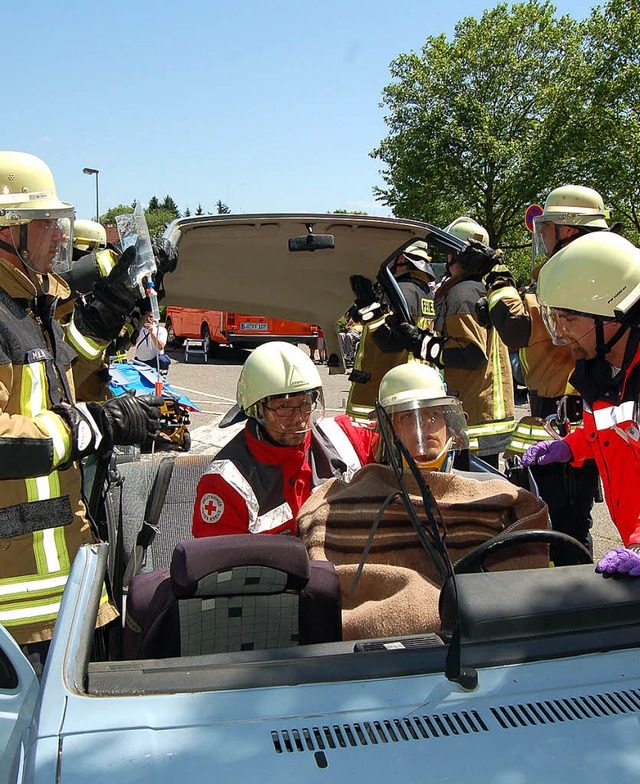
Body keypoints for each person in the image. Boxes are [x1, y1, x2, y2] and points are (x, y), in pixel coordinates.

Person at [0, 151, 163, 654]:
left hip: (60, 589)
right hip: (17, 615)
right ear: (10, 229)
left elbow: (68, 365)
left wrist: (115, 298)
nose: (58, 236)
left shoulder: (29, 306)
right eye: (45, 222)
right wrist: (94, 425)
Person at [297, 363, 548, 640]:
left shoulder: (494, 494)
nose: (426, 427)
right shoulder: (343, 502)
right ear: (388, 428)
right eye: (410, 417)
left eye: (434, 415)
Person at [486, 186, 608, 563]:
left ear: (569, 231)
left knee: (567, 531)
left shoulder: (577, 286)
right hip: (564, 426)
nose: (543, 240)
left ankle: (577, 607)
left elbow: (517, 327)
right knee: (561, 527)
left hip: (570, 427)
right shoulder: (576, 280)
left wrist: (500, 284)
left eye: (548, 231)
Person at [522, 232, 640, 576]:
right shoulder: (601, 371)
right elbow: (610, 432)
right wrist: (570, 448)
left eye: (569, 320)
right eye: (555, 318)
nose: (560, 332)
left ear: (613, 315)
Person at [192, 341, 379, 537]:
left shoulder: (343, 436)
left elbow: (398, 439)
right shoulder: (225, 484)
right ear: (257, 410)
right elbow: (218, 561)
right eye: (284, 407)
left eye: (305, 403)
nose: (299, 418)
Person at [392, 219, 515, 467]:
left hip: (474, 415)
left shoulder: (462, 293)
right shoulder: (480, 289)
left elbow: (470, 354)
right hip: (486, 412)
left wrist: (421, 343)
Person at [346, 240, 436, 422]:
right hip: (413, 387)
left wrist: (368, 308)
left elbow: (388, 342)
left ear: (401, 258)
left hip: (379, 394)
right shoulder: (426, 293)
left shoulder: (399, 291)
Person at [135, 310, 171, 375]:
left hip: (155, 360)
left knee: (163, 360)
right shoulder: (139, 329)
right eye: (146, 316)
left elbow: (160, 347)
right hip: (140, 359)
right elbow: (132, 344)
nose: (148, 319)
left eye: (151, 317)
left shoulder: (161, 330)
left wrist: (152, 333)